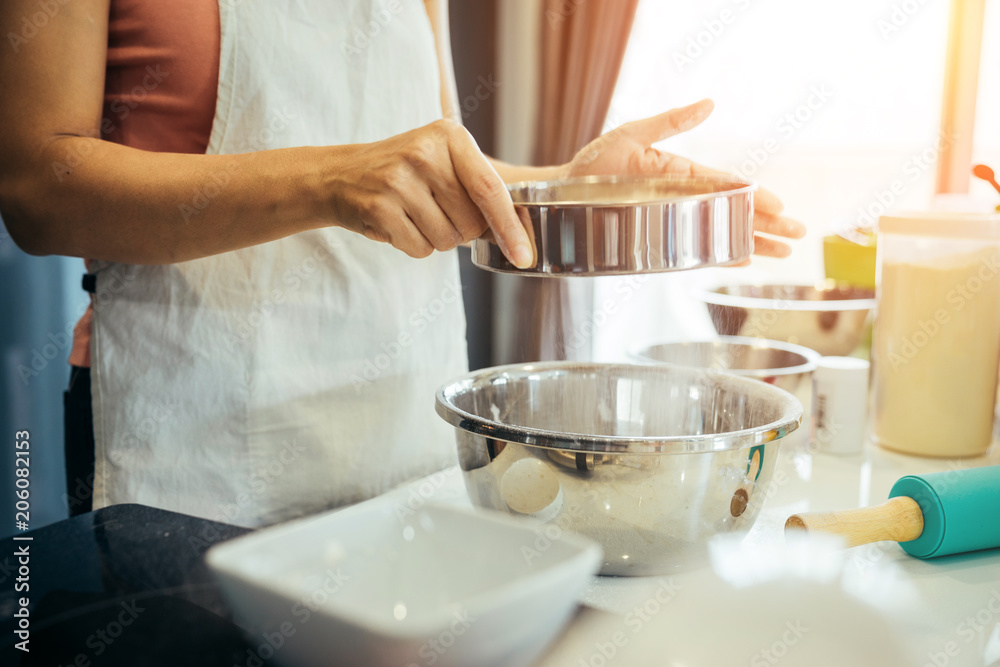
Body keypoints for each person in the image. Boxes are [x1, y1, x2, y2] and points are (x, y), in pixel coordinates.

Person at [0, 0, 805, 527]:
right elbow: (36, 188)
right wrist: (329, 181)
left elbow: (432, 165)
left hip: (401, 435)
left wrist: (573, 184)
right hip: (196, 442)